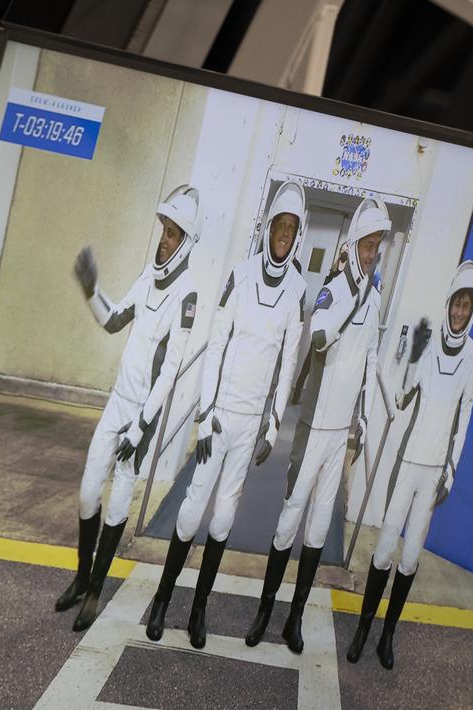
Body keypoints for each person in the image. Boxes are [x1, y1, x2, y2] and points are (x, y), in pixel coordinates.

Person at [144, 181, 310, 649]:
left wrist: (273, 425)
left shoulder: (298, 291)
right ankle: (161, 599)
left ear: (298, 236)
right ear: (269, 227)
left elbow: (288, 364)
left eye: (291, 228)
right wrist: (207, 409)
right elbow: (217, 343)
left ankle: (199, 609)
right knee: (192, 509)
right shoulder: (240, 274)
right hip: (219, 419)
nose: (284, 233)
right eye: (279, 224)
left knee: (223, 520)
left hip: (250, 425)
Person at [245, 197, 390, 652]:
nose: (371, 254)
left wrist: (363, 419)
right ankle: (263, 611)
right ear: (354, 244)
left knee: (317, 529)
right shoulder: (332, 291)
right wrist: (355, 299)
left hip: (339, 433)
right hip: (311, 427)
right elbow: (321, 338)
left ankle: (294, 618)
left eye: (377, 246)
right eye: (367, 245)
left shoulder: (376, 297)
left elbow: (370, 360)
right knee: (289, 521)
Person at [58, 185, 201, 632]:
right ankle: (82, 577)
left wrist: (140, 428)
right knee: (86, 493)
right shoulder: (148, 274)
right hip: (118, 401)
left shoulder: (188, 295)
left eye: (174, 234)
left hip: (142, 416)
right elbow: (115, 320)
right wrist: (91, 289)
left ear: (187, 242)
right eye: (164, 230)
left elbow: (172, 368)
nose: (164, 239)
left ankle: (97, 588)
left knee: (118, 503)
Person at [346, 260, 473, 669]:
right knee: (385, 548)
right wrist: (405, 354)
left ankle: (387, 636)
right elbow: (402, 396)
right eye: (456, 304)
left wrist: (451, 472)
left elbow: (465, 417)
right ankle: (363, 630)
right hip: (407, 464)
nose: (459, 313)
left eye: (466, 307)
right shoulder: (427, 341)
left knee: (409, 559)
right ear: (448, 304)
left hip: (433, 474)